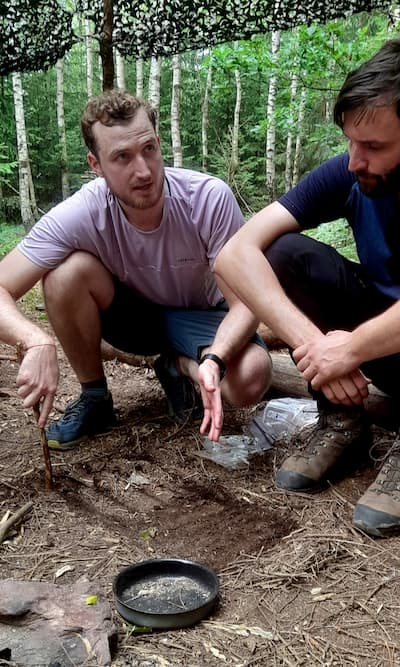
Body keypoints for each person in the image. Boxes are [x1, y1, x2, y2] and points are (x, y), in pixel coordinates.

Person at [215, 38, 400, 537]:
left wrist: (352, 348)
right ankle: (343, 419)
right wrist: (315, 348)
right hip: (394, 356)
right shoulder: (351, 174)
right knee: (284, 254)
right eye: (350, 141)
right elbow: (235, 254)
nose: (354, 161)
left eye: (373, 147)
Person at [0, 89, 271, 450]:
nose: (142, 171)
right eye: (122, 157)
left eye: (148, 150)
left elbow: (247, 303)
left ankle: (179, 365)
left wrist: (215, 357)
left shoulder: (208, 198)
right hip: (135, 320)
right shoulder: (82, 212)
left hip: (204, 319)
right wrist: (35, 341)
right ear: (96, 165)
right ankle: (95, 397)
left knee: (251, 376)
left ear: (159, 143)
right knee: (66, 273)